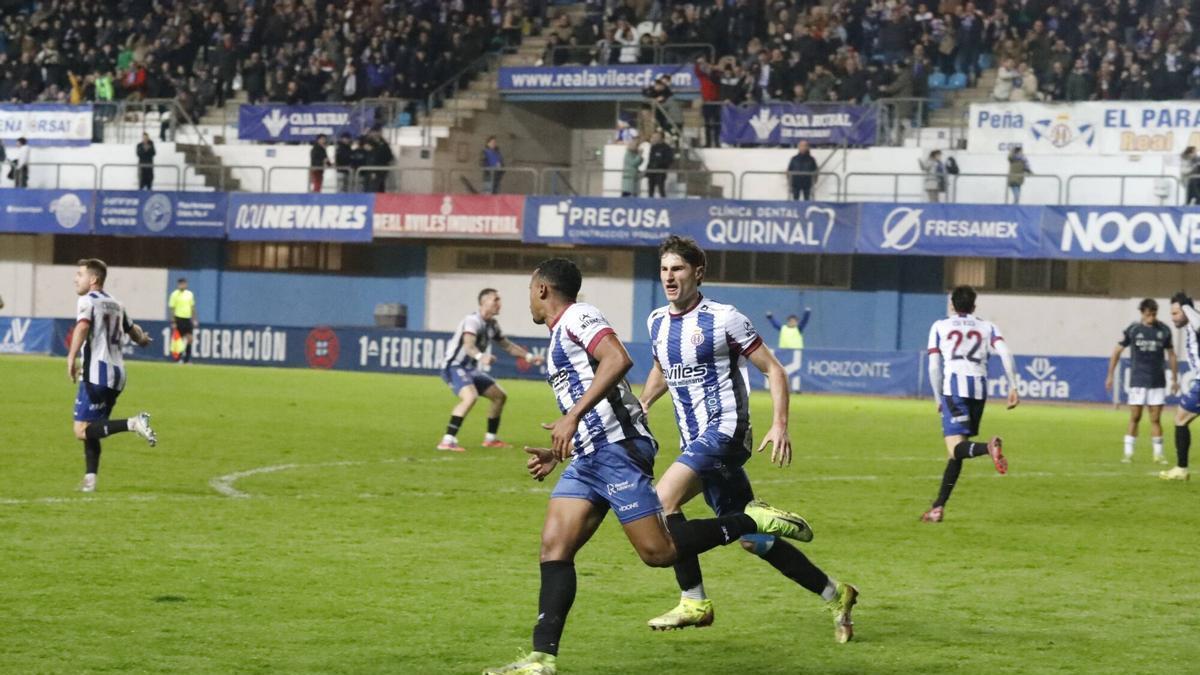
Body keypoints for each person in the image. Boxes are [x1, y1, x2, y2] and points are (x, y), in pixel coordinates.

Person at [484, 258, 813, 675]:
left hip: (619, 449)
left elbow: (617, 359)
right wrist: (561, 446)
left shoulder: (579, 316)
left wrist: (573, 417)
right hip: (589, 455)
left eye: (530, 290)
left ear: (543, 290)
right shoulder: (557, 336)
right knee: (554, 548)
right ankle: (541, 658)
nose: (529, 299)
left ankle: (748, 521)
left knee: (658, 553)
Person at [638, 236, 858, 642]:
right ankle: (836, 593)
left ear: (697, 273)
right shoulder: (656, 322)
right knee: (756, 542)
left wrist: (780, 424)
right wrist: (644, 403)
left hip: (725, 431)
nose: (670, 276)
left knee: (660, 501)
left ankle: (694, 600)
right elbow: (662, 367)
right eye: (665, 269)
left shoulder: (725, 318)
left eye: (678, 269)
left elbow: (773, 370)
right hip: (696, 442)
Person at [922, 286, 1019, 522]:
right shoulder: (987, 326)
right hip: (979, 392)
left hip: (954, 390)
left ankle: (989, 448)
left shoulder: (940, 326)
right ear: (974, 306)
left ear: (951, 306)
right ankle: (938, 507)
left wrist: (937, 398)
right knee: (956, 454)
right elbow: (1006, 353)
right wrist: (1013, 386)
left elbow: (934, 366)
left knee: (955, 448)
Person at [67, 259, 157, 492]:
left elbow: (83, 327)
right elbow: (134, 330)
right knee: (93, 427)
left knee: (81, 430)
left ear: (93, 279)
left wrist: (71, 357)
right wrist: (144, 340)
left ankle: (133, 423)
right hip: (118, 376)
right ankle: (90, 480)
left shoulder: (87, 300)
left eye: (80, 274)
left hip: (96, 374)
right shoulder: (116, 304)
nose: (76, 278)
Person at [438, 289, 544, 452]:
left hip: (469, 369)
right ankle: (447, 440)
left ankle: (490, 439)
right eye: (496, 299)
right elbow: (468, 345)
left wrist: (529, 357)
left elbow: (507, 346)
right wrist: (481, 357)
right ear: (484, 302)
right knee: (470, 397)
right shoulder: (473, 321)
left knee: (499, 396)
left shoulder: (492, 325)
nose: (499, 303)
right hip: (454, 366)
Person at [1106, 299, 1178, 465]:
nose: (1151, 318)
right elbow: (1117, 350)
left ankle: (1158, 454)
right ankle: (1128, 453)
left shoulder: (1164, 330)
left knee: (1155, 418)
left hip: (1157, 381)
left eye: (1154, 314)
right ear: (1142, 313)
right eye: (1148, 314)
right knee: (1135, 417)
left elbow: (1172, 355)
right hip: (1138, 380)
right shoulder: (1133, 330)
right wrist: (1110, 374)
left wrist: (1174, 379)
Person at [1162, 292, 1200, 480]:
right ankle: (1181, 468)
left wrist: (1187, 307)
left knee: (1181, 419)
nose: (1172, 317)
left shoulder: (1195, 321)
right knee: (1181, 419)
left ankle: (1181, 469)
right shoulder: (1191, 326)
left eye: (1176, 313)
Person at [168, 278, 197, 364]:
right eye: (181, 284)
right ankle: (178, 359)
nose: (182, 285)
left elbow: (192, 307)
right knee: (178, 340)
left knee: (190, 339)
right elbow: (172, 309)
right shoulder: (174, 295)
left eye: (184, 284)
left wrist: (194, 319)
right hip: (178, 319)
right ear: (178, 285)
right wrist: (173, 321)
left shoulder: (190, 294)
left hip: (187, 319)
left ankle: (187, 359)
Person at [645, 131, 674, 198]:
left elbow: (669, 160)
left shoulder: (666, 148)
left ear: (661, 138)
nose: (654, 138)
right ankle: (650, 203)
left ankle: (663, 203)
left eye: (656, 137)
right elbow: (650, 160)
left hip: (660, 172)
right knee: (650, 190)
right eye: (654, 137)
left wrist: (660, 164)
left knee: (661, 189)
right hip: (652, 172)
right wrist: (647, 171)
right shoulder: (653, 147)